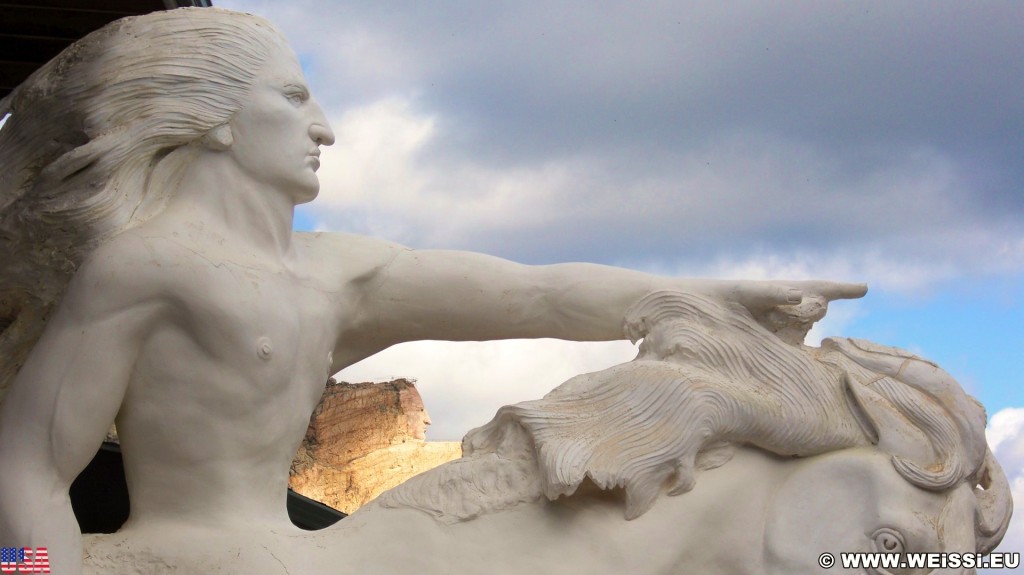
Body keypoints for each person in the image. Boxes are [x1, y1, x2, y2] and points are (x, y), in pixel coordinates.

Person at [0, 9, 864, 575]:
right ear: (217, 119)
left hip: (294, 553)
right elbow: (28, 463)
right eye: (294, 97)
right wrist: (36, 574)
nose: (325, 127)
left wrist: (712, 297)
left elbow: (537, 295)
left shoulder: (338, 274)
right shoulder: (145, 268)